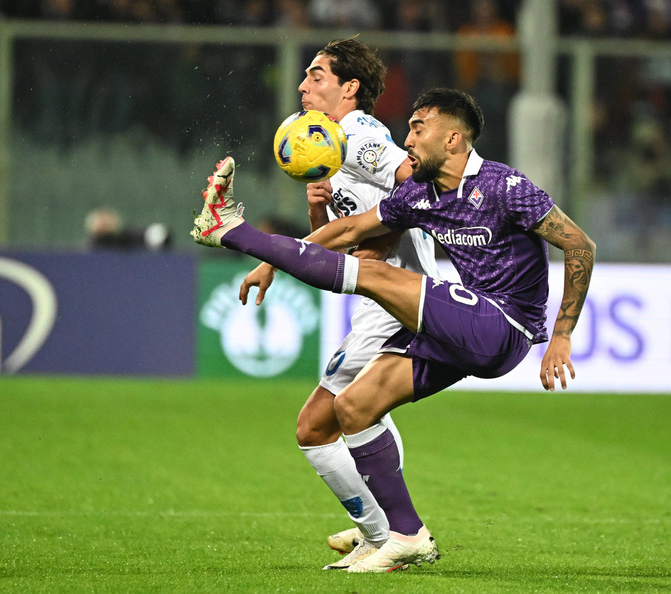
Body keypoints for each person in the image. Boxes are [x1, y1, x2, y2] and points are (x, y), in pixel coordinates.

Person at [191, 88, 596, 572]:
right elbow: (348, 231)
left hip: (504, 324)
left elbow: (580, 246)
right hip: (465, 330)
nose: (407, 138)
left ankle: (230, 229)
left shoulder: (506, 187)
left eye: (417, 128)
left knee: (377, 274)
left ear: (452, 138)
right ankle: (406, 535)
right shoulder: (419, 194)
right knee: (354, 407)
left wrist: (563, 334)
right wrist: (276, 260)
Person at [242, 38, 440, 571]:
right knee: (336, 420)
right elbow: (345, 242)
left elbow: (413, 186)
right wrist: (315, 217)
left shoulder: (358, 134)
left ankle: (390, 535)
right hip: (377, 297)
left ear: (349, 88)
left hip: (398, 294)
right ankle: (383, 529)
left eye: (316, 76)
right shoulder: (331, 146)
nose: (303, 86)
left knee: (317, 426)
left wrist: (388, 239)